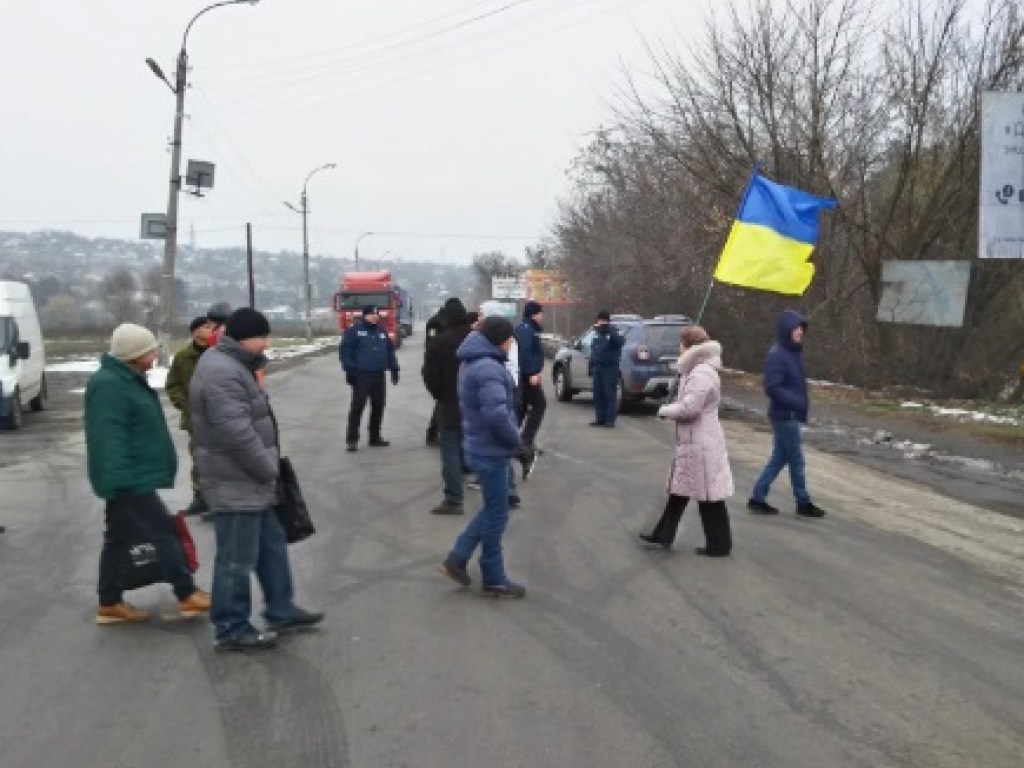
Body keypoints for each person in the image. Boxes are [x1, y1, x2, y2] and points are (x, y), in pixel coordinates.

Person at [190, 308, 323, 651]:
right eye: (262, 337)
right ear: (243, 337)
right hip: (236, 481)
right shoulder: (222, 372)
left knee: (271, 546)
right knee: (236, 558)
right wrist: (267, 467)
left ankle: (281, 609)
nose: (267, 343)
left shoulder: (234, 366)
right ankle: (231, 625)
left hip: (251, 481)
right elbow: (236, 433)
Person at [85, 323, 211, 624]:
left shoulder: (126, 379)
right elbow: (107, 437)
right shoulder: (109, 385)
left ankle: (109, 600)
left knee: (116, 536)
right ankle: (186, 593)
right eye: (149, 350)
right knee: (163, 531)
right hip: (127, 476)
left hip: (130, 474)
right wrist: (117, 478)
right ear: (134, 354)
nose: (154, 354)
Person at [439, 317, 526, 598]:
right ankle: (493, 577)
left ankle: (458, 557)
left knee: (491, 508)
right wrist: (518, 443)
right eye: (511, 338)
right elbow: (496, 415)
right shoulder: (489, 368)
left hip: (480, 447)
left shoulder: (474, 361)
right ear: (501, 340)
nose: (513, 343)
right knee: (497, 515)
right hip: (491, 451)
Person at [639, 326, 733, 555]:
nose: (678, 348)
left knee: (709, 495)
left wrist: (665, 409)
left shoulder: (701, 373)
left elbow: (690, 408)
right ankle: (663, 534)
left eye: (681, 344)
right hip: (696, 440)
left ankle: (719, 545)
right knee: (680, 490)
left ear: (690, 346)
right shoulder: (698, 370)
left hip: (700, 441)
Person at [747, 310, 826, 518]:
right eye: (796, 328)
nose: (800, 332)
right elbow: (771, 387)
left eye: (802, 328)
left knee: (779, 458)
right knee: (796, 460)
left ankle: (757, 497)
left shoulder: (793, 352)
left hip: (790, 414)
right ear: (787, 330)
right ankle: (803, 502)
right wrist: (796, 401)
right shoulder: (778, 355)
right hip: (785, 415)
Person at [422, 298, 473, 515]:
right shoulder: (476, 339)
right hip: (475, 403)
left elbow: (429, 375)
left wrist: (440, 395)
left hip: (450, 403)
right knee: (479, 444)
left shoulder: (440, 342)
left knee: (450, 447)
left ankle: (454, 498)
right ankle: (504, 491)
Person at [165, 315, 215, 516]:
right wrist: (185, 405)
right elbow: (172, 384)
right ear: (195, 332)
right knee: (199, 458)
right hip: (195, 418)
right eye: (206, 326)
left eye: (212, 326)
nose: (211, 329)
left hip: (217, 417)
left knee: (218, 460)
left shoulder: (217, 353)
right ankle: (200, 498)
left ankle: (217, 501)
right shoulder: (183, 356)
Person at [340, 305, 400, 452]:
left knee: (378, 407)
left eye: (376, 314)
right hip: (361, 376)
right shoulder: (354, 331)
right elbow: (345, 351)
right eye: (371, 314)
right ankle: (352, 439)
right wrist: (349, 370)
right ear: (365, 315)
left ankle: (374, 437)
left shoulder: (381, 332)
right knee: (357, 408)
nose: (375, 316)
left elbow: (390, 352)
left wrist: (394, 369)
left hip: (379, 376)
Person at [514, 300, 546, 450]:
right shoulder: (526, 329)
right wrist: (532, 373)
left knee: (521, 408)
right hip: (526, 376)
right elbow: (525, 353)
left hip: (526, 374)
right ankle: (526, 441)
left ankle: (514, 441)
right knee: (539, 404)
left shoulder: (529, 329)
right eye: (540, 313)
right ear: (534, 314)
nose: (542, 316)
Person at [423, 302, 452, 446]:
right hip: (437, 366)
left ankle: (433, 432)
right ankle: (433, 433)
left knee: (441, 403)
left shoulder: (447, 320)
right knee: (442, 403)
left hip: (443, 365)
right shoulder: (435, 322)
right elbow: (431, 342)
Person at [589, 310, 625, 428]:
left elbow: (620, 342)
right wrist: (591, 364)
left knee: (609, 394)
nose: (601, 323)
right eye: (600, 320)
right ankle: (600, 418)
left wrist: (609, 330)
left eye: (604, 320)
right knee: (598, 394)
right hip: (598, 367)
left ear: (608, 321)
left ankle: (610, 420)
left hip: (610, 367)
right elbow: (594, 349)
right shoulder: (596, 333)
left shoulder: (614, 331)